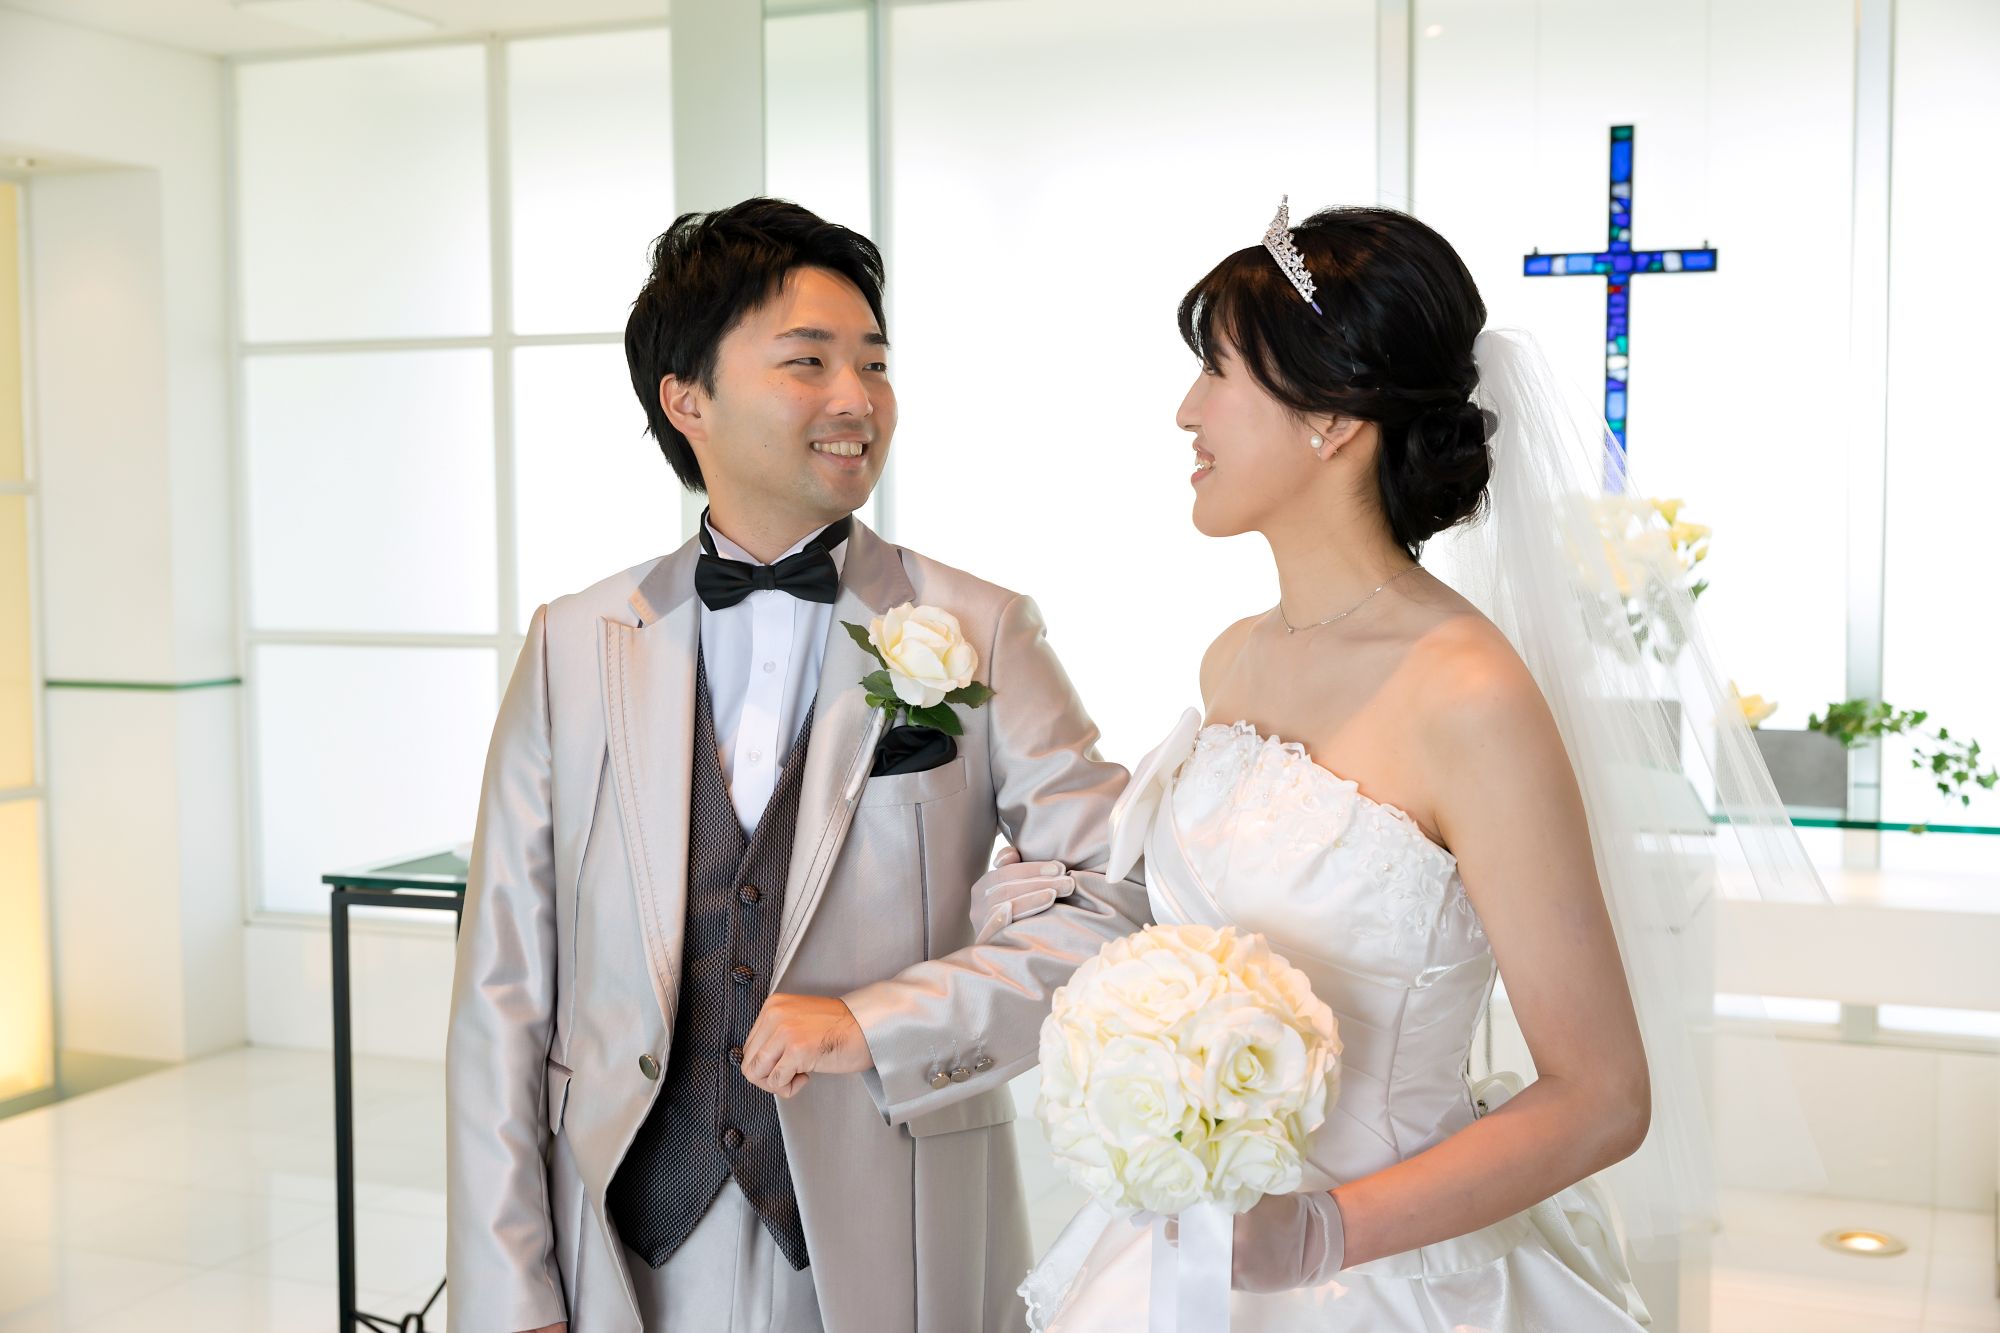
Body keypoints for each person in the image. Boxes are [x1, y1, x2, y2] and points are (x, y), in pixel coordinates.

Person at [444, 197, 1147, 1333]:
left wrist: (883, 1021)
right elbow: (502, 987)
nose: (856, 399)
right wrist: (507, 1289)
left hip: (887, 1218)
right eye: (807, 361)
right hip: (623, 1236)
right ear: (687, 400)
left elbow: (1115, 906)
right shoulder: (576, 642)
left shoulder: (979, 627)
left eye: (874, 363)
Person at [1017, 202, 1717, 1329]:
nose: (1186, 410)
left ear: (1333, 416)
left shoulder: (1467, 696)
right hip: (1186, 1255)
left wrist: (1319, 1234)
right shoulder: (1232, 658)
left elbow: (1601, 1096)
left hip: (1386, 1275)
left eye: (1217, 371)